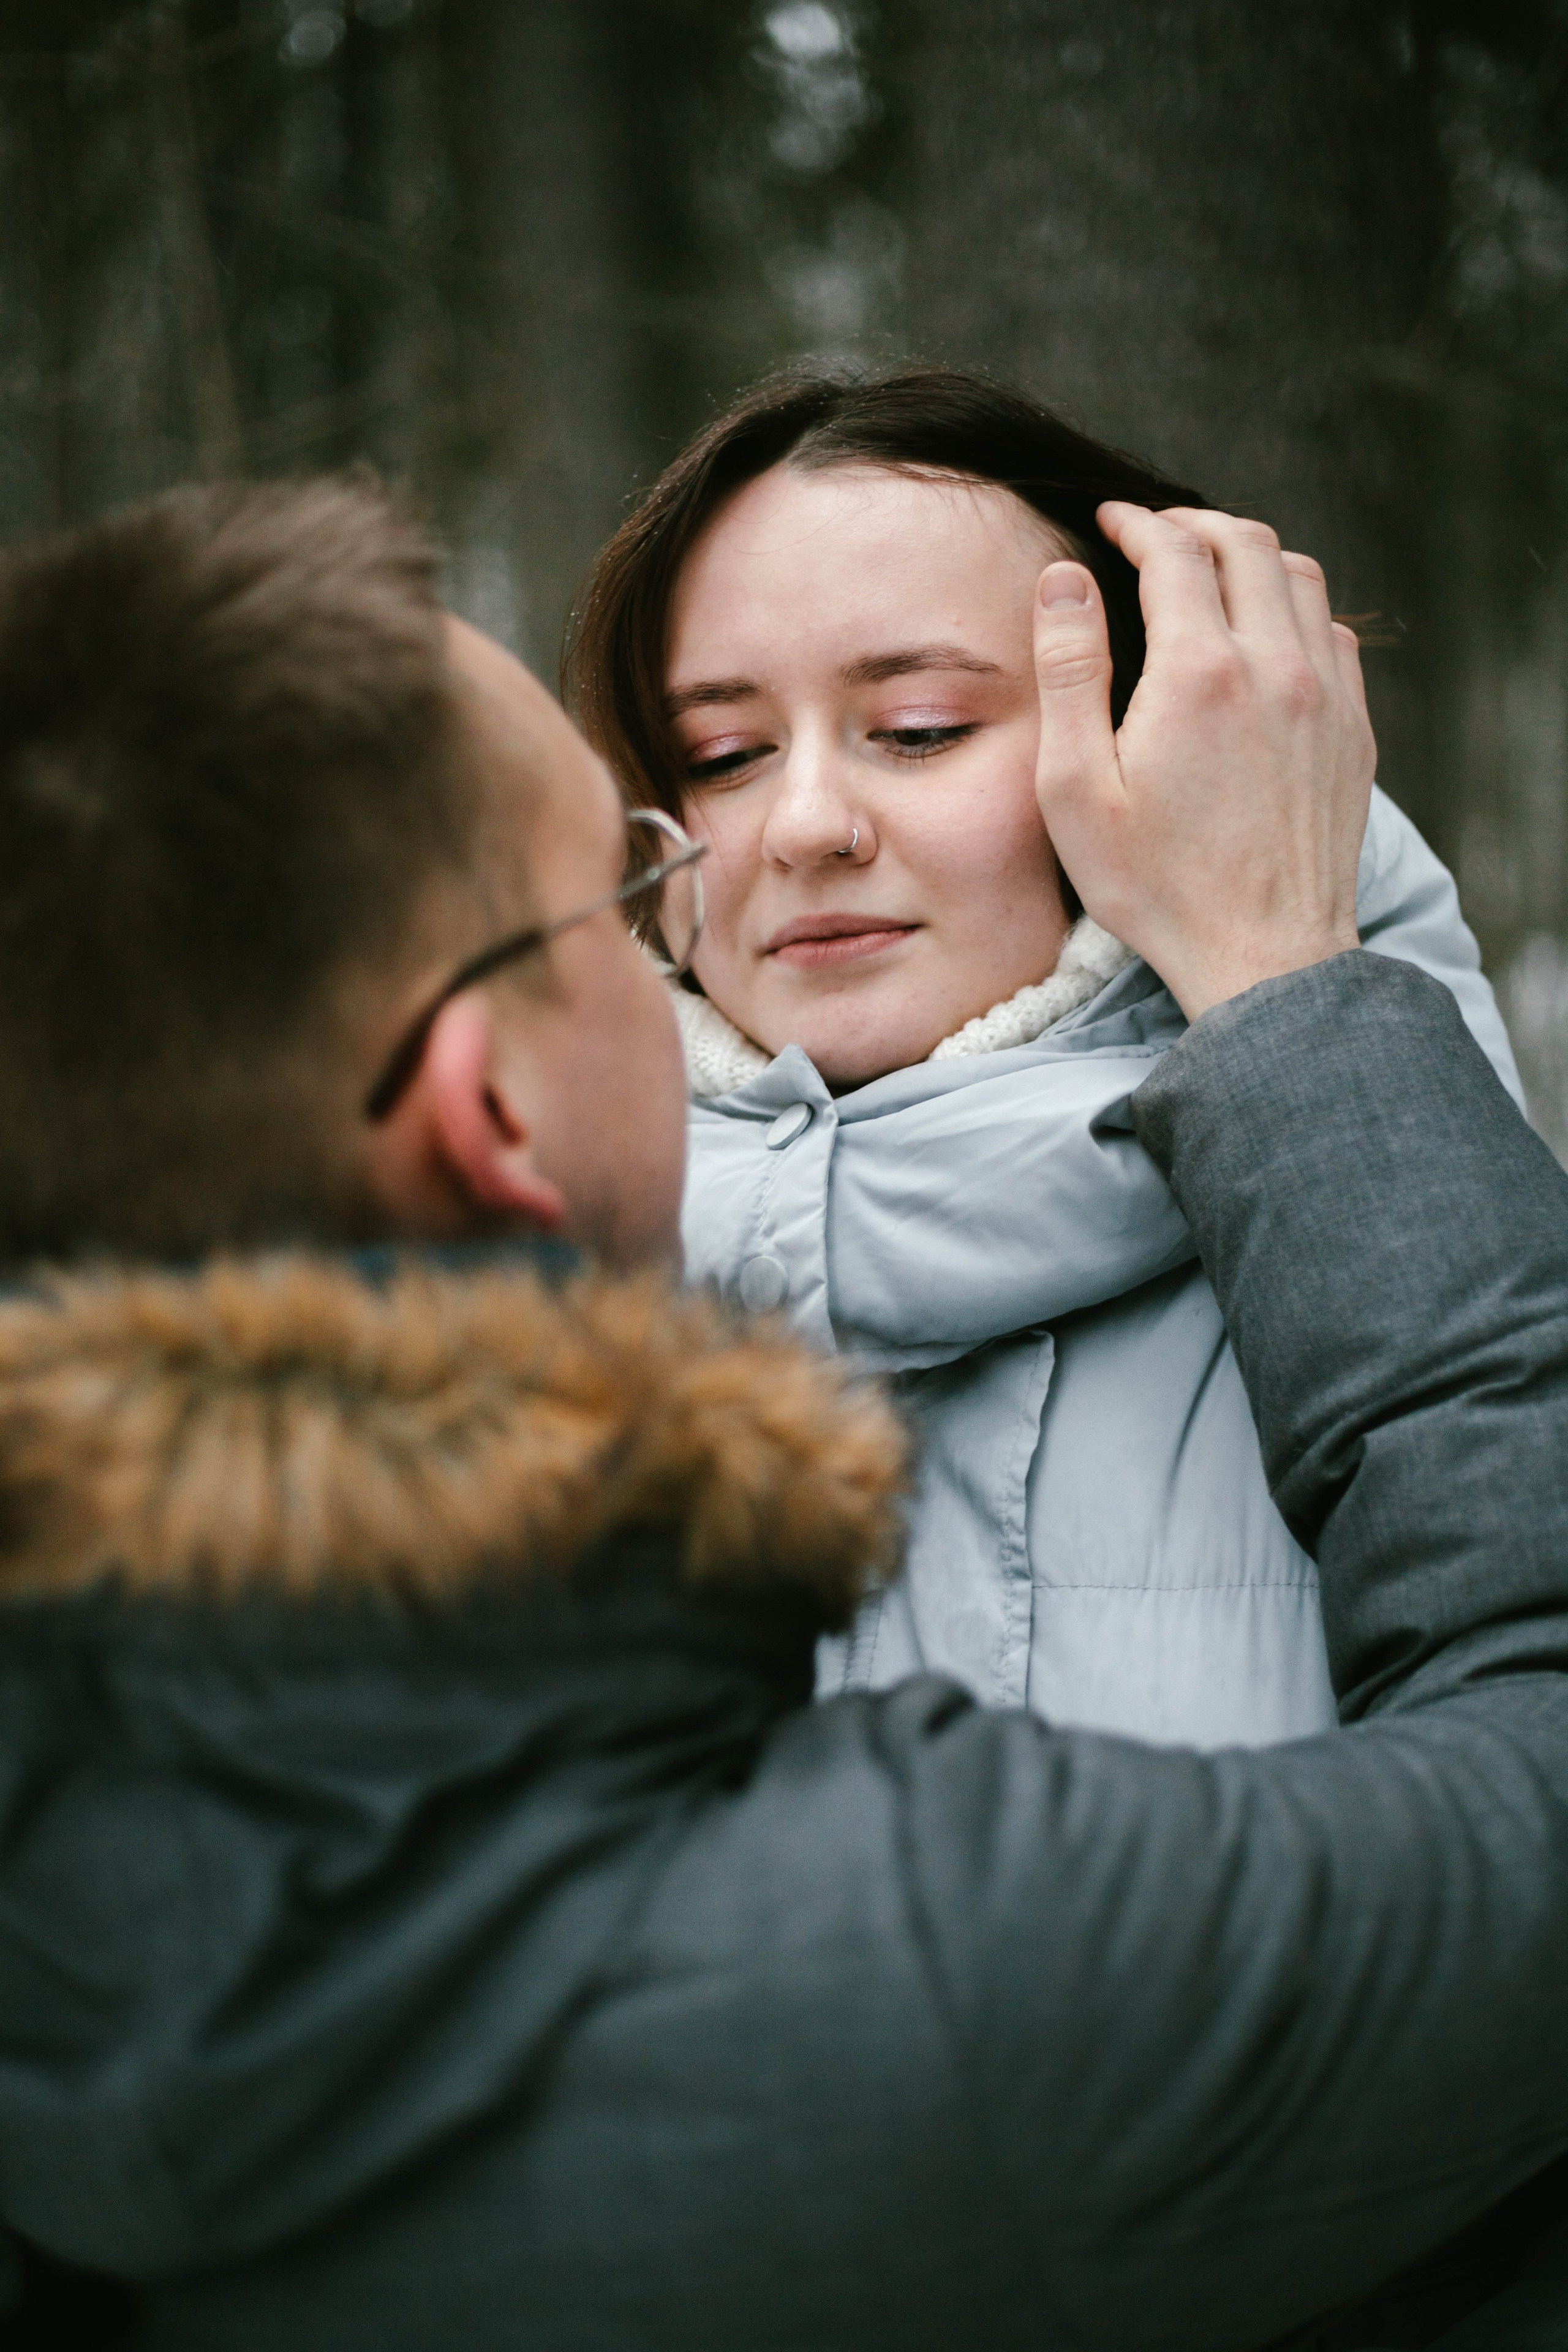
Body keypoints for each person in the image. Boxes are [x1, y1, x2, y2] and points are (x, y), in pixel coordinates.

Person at [0, 472, 1565, 2352]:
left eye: (915, 729)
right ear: (488, 1115)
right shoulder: (902, 1977)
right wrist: (1308, 995)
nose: (789, 837)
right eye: (644, 855)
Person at [568, 368, 1521, 1749]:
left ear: (1156, 736)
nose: (804, 823)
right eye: (722, 753)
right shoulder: (497, 1284)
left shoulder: (1414, 1265)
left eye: (918, 731)